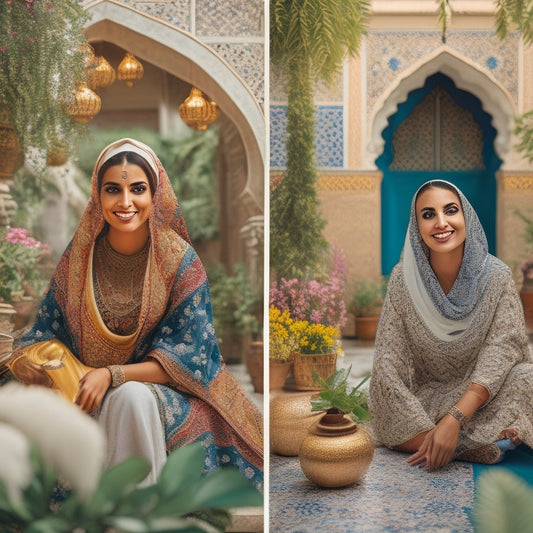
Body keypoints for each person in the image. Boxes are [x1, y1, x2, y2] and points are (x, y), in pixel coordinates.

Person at [7, 138, 263, 488]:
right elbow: (47, 330)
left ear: (155, 194)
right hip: (82, 386)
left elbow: (192, 357)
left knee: (130, 398)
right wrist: (33, 361)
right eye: (113, 189)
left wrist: (112, 375)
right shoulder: (79, 258)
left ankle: (137, 513)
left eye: (137, 189)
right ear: (98, 195)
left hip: (161, 391)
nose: (125, 202)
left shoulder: (179, 262)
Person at [369, 179, 533, 471]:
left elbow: (504, 348)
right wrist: (442, 417)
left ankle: (445, 439)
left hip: (483, 397)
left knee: (527, 377)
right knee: (382, 383)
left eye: (451, 210)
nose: (441, 222)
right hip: (429, 399)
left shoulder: (496, 277)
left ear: (465, 216)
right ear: (416, 226)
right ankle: (463, 447)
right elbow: (388, 357)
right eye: (428, 214)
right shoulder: (403, 280)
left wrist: (456, 417)